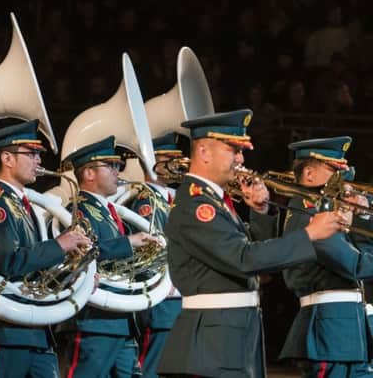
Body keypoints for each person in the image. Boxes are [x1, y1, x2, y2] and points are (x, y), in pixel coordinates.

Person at [157, 109, 345, 377]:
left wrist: (260, 213)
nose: (241, 158)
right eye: (233, 149)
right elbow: (244, 258)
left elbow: (258, 255)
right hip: (213, 340)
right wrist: (309, 234)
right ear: (204, 152)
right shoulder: (197, 204)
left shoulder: (212, 201)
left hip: (229, 332)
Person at [0, 119, 90, 378]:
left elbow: (36, 265)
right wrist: (59, 245)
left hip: (35, 327)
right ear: (7, 158)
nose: (39, 160)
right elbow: (8, 262)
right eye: (31, 153)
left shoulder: (20, 203)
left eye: (38, 154)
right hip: (9, 329)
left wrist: (72, 273)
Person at [61, 135, 157, 378]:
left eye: (118, 165)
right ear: (89, 174)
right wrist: (129, 242)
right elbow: (82, 252)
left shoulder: (108, 210)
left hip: (119, 317)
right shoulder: (78, 208)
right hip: (95, 319)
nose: (118, 171)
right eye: (111, 165)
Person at [279, 137, 373, 377]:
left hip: (347, 328)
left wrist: (361, 216)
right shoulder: (309, 214)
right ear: (309, 174)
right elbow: (356, 266)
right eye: (334, 170)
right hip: (329, 330)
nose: (343, 179)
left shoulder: (323, 211)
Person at [127, 133, 184, 378]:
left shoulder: (174, 199)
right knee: (153, 369)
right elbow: (146, 254)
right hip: (161, 300)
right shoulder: (145, 202)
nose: (179, 164)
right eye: (170, 159)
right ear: (153, 162)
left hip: (178, 298)